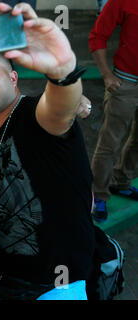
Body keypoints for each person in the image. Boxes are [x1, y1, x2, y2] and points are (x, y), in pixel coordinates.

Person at [0, 2, 95, 300]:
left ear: (13, 78)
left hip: (58, 286)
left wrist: (63, 71)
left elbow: (61, 108)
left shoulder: (37, 115)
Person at [88, 0, 138, 222]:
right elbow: (97, 35)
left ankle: (122, 182)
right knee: (110, 142)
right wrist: (107, 74)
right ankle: (98, 195)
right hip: (125, 83)